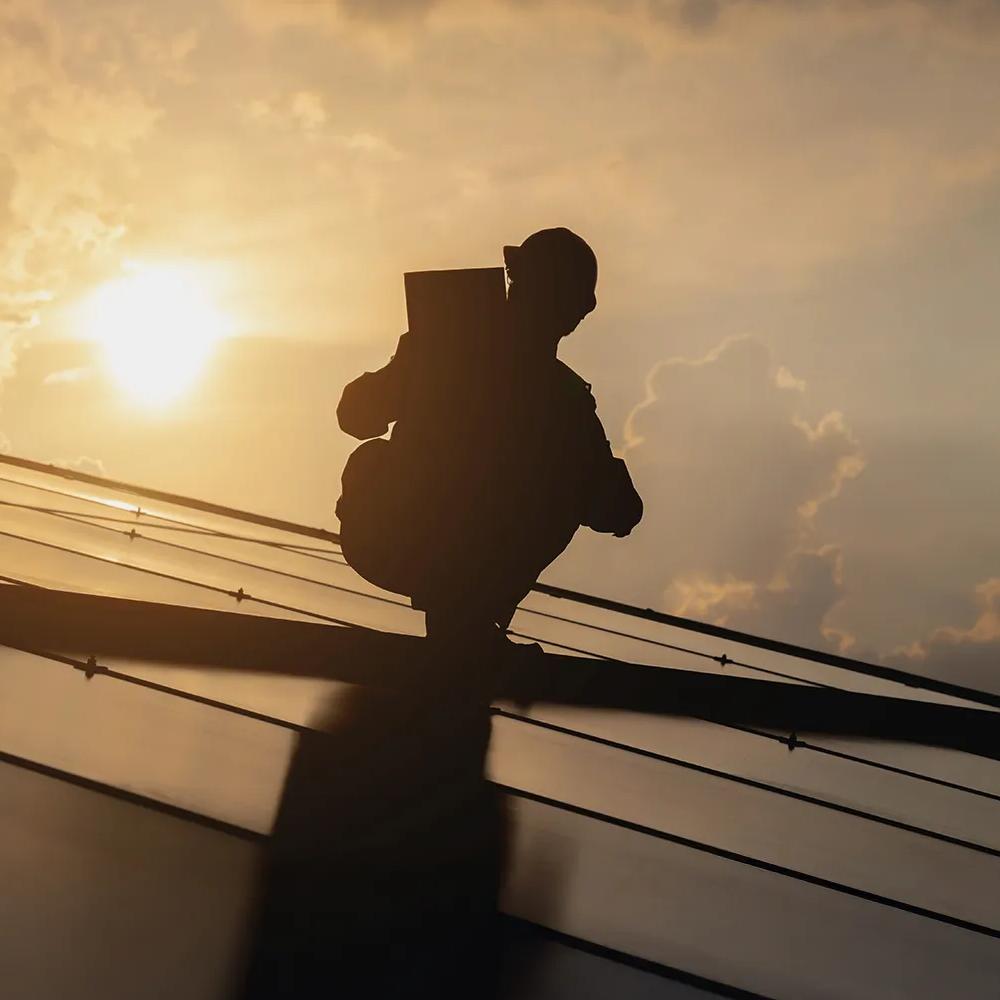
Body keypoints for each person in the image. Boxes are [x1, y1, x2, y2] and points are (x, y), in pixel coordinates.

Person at [337, 227, 642, 650]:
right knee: (373, 460)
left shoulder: (564, 402)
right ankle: (466, 619)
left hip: (422, 548)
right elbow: (356, 415)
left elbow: (619, 509)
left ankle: (467, 621)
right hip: (401, 538)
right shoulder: (553, 397)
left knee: (569, 485)